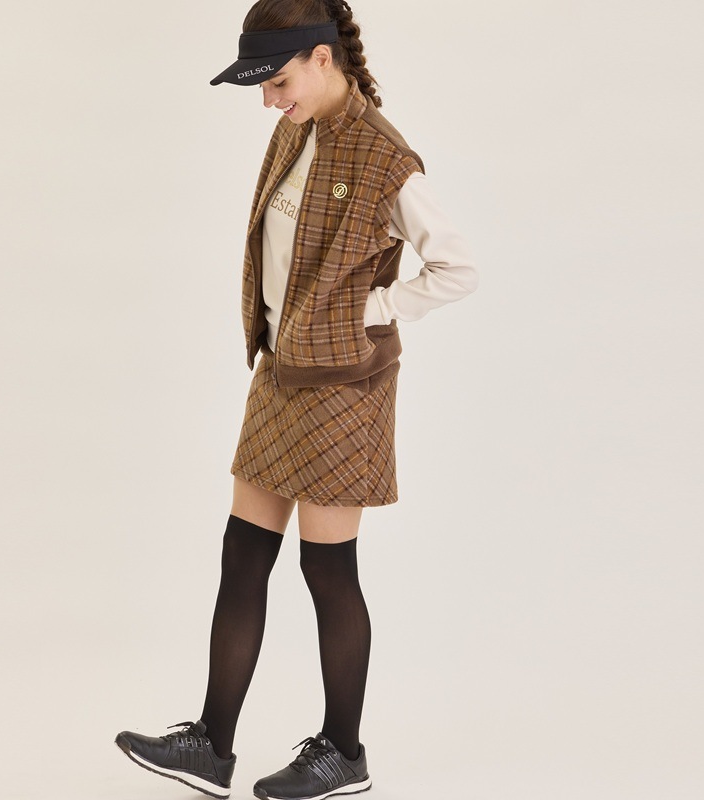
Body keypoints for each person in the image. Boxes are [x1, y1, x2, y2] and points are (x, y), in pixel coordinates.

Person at [114, 1, 478, 798]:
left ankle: (343, 753)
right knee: (243, 554)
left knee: (326, 567)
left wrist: (373, 308)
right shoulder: (295, 130)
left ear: (321, 58)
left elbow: (457, 267)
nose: (268, 101)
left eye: (277, 81)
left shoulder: (386, 159)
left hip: (345, 388)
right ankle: (211, 746)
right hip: (281, 373)